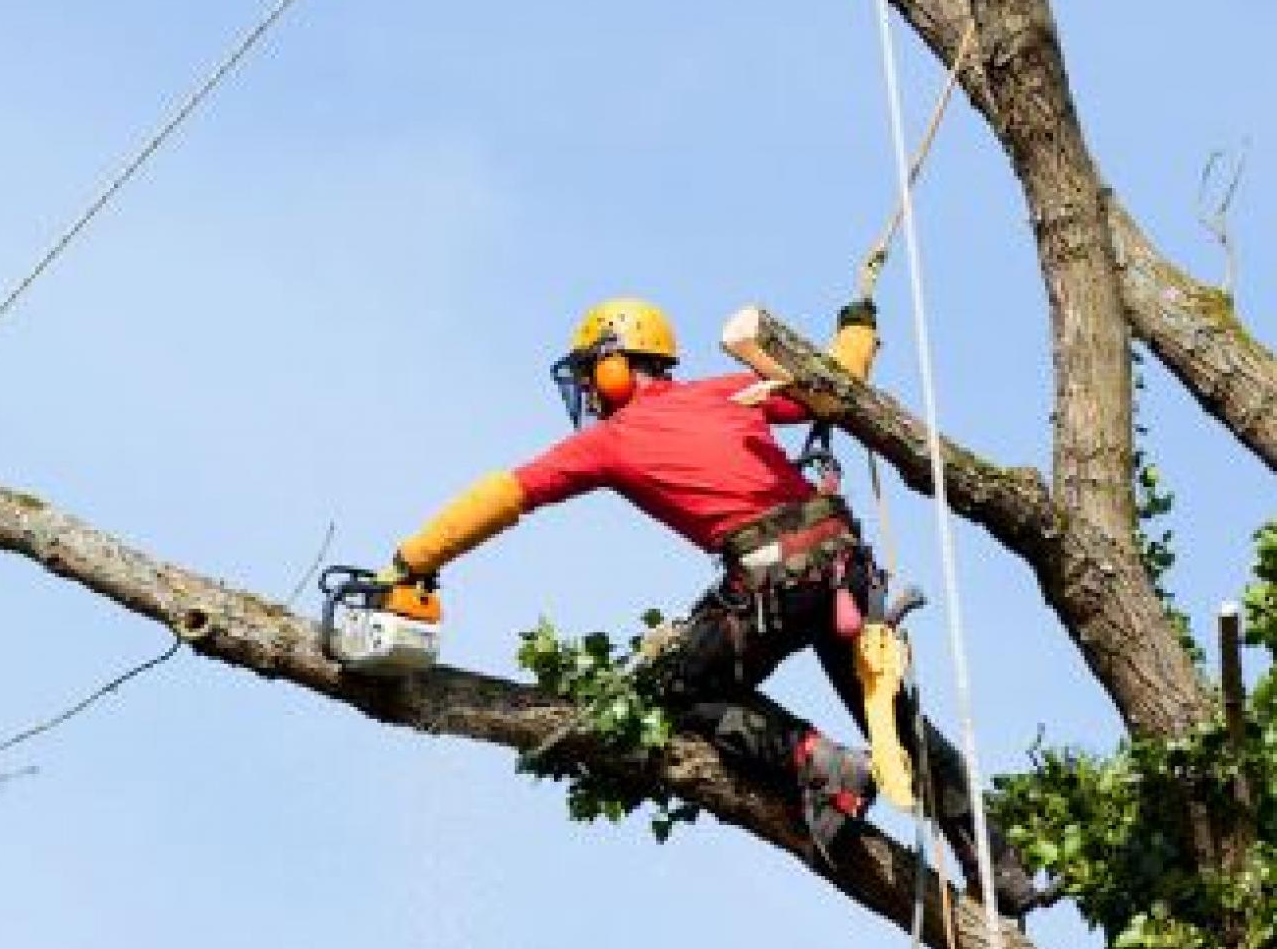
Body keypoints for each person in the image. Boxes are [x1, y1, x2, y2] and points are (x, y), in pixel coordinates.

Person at [381, 297, 1041, 916]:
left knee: (670, 690)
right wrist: (858, 327)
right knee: (895, 725)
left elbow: (506, 494)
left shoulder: (610, 440)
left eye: (590, 374)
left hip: (773, 578)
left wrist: (413, 560)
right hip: (841, 566)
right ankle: (1000, 865)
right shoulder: (728, 392)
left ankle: (816, 761)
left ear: (615, 365)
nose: (586, 392)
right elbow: (837, 383)